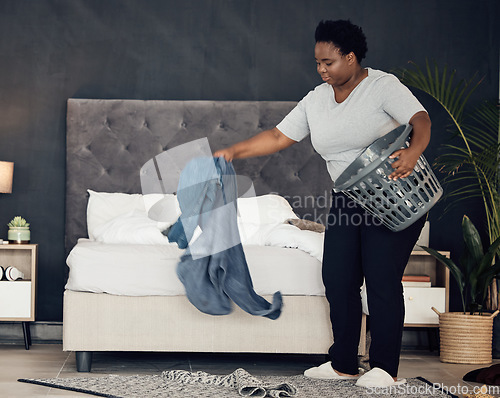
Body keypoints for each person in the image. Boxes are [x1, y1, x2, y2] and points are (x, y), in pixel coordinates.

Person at [214, 19, 431, 388]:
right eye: (317, 63)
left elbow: (420, 119)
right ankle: (343, 362)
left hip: (395, 193)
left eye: (328, 62)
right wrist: (233, 151)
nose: (321, 69)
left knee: (380, 277)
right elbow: (279, 136)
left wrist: (414, 151)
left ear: (350, 57)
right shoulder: (317, 99)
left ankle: (385, 369)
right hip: (349, 197)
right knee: (337, 278)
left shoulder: (382, 87)